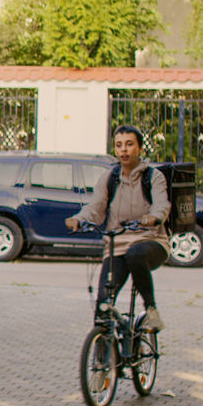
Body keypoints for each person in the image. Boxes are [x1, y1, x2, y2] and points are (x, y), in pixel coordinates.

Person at [65, 125, 170, 332]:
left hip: (151, 242)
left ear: (140, 148)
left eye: (129, 144)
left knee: (135, 254)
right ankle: (103, 357)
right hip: (117, 246)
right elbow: (96, 208)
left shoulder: (153, 177)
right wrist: (78, 219)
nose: (124, 150)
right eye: (119, 145)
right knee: (103, 304)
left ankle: (151, 311)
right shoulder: (109, 178)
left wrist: (154, 217)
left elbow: (162, 204)